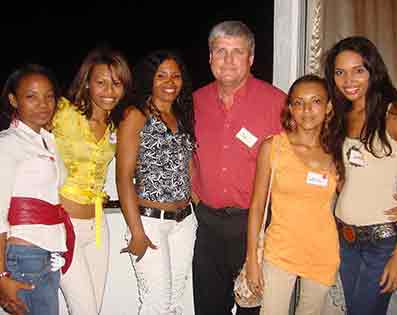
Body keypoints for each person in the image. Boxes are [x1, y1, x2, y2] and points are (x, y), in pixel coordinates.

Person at [192, 20, 287, 315]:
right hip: (207, 227)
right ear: (210, 58)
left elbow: (300, 159)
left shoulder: (277, 103)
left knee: (252, 309)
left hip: (255, 227)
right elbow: (185, 156)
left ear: (251, 58)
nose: (228, 60)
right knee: (208, 308)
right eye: (221, 51)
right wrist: (197, 200)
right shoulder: (194, 101)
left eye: (237, 52)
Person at [324, 36, 397, 315]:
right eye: (340, 72)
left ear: (373, 71)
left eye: (358, 70)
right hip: (344, 238)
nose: (348, 80)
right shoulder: (339, 116)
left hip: (382, 243)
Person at [246, 74, 340, 315]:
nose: (307, 110)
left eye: (316, 101)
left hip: (323, 252)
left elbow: (356, 193)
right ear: (290, 108)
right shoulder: (274, 147)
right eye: (298, 102)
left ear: (328, 107)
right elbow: (256, 206)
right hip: (279, 251)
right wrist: (252, 261)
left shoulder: (337, 151)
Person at [51, 46, 132, 314]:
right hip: (64, 227)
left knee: (92, 308)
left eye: (116, 83)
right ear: (87, 82)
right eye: (101, 82)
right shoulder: (63, 113)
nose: (109, 91)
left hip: (98, 227)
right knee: (84, 308)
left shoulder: (115, 126)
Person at [116, 49, 197, 315]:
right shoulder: (136, 115)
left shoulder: (183, 115)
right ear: (149, 79)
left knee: (174, 303)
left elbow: (188, 167)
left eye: (176, 76)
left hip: (185, 222)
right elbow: (123, 177)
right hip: (150, 223)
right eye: (161, 76)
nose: (169, 82)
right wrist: (136, 231)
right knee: (155, 306)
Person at [0, 64, 70, 315]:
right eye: (31, 96)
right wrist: (1, 274)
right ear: (13, 100)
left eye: (49, 96)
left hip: (49, 251)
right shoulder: (7, 144)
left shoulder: (49, 141)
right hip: (24, 253)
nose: (43, 104)